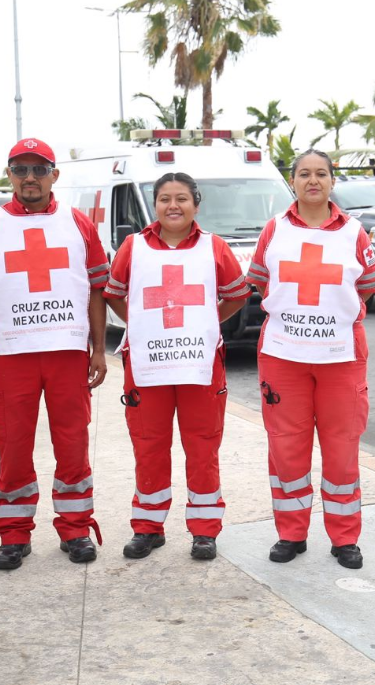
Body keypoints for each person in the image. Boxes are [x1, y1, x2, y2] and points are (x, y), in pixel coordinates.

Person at [0, 138, 110, 569]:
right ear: (9, 175)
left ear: (54, 176)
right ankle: (13, 533)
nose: (30, 178)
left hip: (66, 354)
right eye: (20, 169)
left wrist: (99, 350)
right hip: (11, 355)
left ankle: (76, 528)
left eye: (39, 169)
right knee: (14, 447)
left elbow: (98, 288)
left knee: (73, 444)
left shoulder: (77, 223)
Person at [246, 149, 375, 570]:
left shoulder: (354, 233)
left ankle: (345, 539)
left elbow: (365, 288)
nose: (312, 180)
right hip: (284, 359)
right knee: (287, 450)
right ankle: (291, 533)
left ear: (332, 181)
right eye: (304, 173)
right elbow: (260, 284)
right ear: (293, 181)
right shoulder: (274, 230)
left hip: (340, 358)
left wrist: (328, 322)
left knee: (342, 450)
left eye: (321, 173)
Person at [103, 172, 250, 561]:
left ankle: (204, 531)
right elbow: (114, 295)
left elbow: (237, 294)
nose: (173, 206)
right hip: (148, 366)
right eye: (165, 198)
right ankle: (148, 528)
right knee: (149, 446)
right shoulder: (132, 247)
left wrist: (206, 323)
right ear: (154, 205)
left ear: (196, 204)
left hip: (199, 365)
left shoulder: (214, 247)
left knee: (202, 446)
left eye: (182, 198)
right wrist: (140, 324)